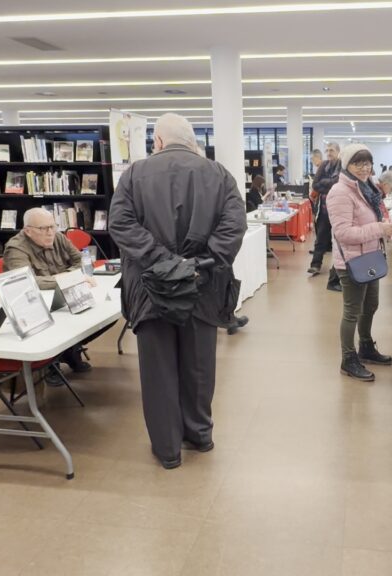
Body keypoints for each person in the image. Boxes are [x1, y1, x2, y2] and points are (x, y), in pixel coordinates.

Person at [109, 113, 246, 469]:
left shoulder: (134, 175)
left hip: (150, 288)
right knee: (200, 366)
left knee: (158, 370)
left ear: (157, 141)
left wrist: (162, 260)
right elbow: (234, 227)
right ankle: (199, 435)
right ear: (192, 141)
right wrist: (197, 264)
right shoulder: (219, 175)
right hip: (202, 286)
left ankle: (168, 449)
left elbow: (120, 224)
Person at [328, 144, 392, 382]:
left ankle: (366, 347)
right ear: (346, 165)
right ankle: (348, 359)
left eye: (368, 163)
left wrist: (385, 229)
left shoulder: (367, 189)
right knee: (352, 311)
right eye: (358, 163)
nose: (364, 168)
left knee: (371, 306)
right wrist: (379, 228)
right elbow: (344, 233)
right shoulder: (340, 192)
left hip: (370, 256)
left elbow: (371, 220)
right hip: (351, 261)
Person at [3, 207, 96, 372]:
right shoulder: (16, 248)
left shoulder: (58, 237)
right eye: (43, 228)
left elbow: (81, 261)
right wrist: (68, 279)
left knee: (99, 318)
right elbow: (26, 282)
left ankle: (69, 350)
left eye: (52, 226)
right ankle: (53, 363)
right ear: (28, 231)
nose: (50, 232)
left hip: (63, 297)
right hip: (34, 306)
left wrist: (68, 277)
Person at [309, 142, 343, 291]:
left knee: (339, 240)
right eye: (327, 150)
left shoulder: (342, 166)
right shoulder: (323, 166)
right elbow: (315, 185)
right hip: (323, 209)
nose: (329, 153)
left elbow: (339, 183)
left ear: (338, 152)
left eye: (332, 150)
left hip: (339, 209)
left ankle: (338, 270)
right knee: (321, 237)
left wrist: (325, 183)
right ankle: (315, 265)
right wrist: (329, 183)